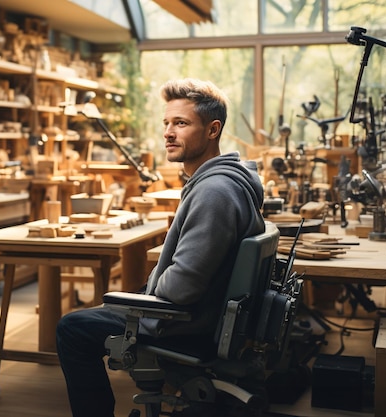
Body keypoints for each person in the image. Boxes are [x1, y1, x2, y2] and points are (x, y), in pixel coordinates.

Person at [56, 78, 266, 417]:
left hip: (184, 324)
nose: (168, 132)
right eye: (167, 123)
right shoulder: (224, 182)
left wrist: (148, 292)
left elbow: (182, 288)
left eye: (181, 123)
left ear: (213, 130)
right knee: (118, 300)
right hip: (201, 315)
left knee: (72, 328)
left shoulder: (214, 193)